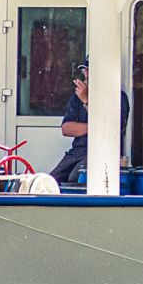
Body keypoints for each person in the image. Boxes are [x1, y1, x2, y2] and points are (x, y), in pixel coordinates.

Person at [51, 60, 131, 188]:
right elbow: (66, 129)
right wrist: (96, 126)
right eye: (85, 71)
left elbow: (111, 130)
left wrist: (87, 101)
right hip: (77, 152)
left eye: (90, 71)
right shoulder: (76, 98)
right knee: (50, 181)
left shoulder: (118, 97)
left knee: (75, 179)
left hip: (103, 152)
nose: (87, 75)